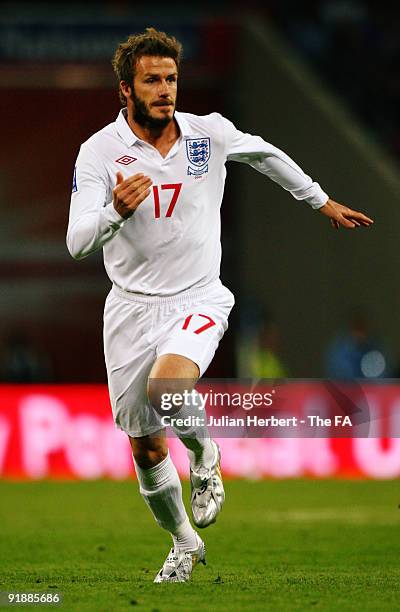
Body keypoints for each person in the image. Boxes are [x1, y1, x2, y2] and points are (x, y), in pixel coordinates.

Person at [66, 27, 373, 583]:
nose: (165, 90)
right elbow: (76, 240)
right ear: (125, 92)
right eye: (151, 80)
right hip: (131, 309)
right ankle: (183, 545)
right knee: (146, 446)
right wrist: (112, 209)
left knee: (168, 386)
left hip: (199, 296)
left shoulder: (209, 135)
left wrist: (320, 200)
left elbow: (266, 154)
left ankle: (206, 456)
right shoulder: (99, 153)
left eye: (171, 79)